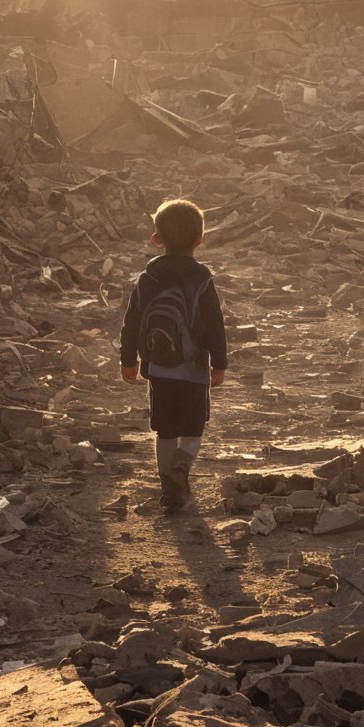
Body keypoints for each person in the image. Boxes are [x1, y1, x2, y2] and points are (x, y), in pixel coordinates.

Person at [119, 198, 228, 513]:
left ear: (157, 239)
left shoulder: (148, 278)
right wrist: (219, 364)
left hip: (158, 369)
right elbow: (215, 325)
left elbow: (132, 322)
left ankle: (169, 488)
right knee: (193, 429)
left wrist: (129, 360)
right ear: (200, 239)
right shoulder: (202, 278)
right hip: (194, 369)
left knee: (165, 430)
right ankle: (183, 466)